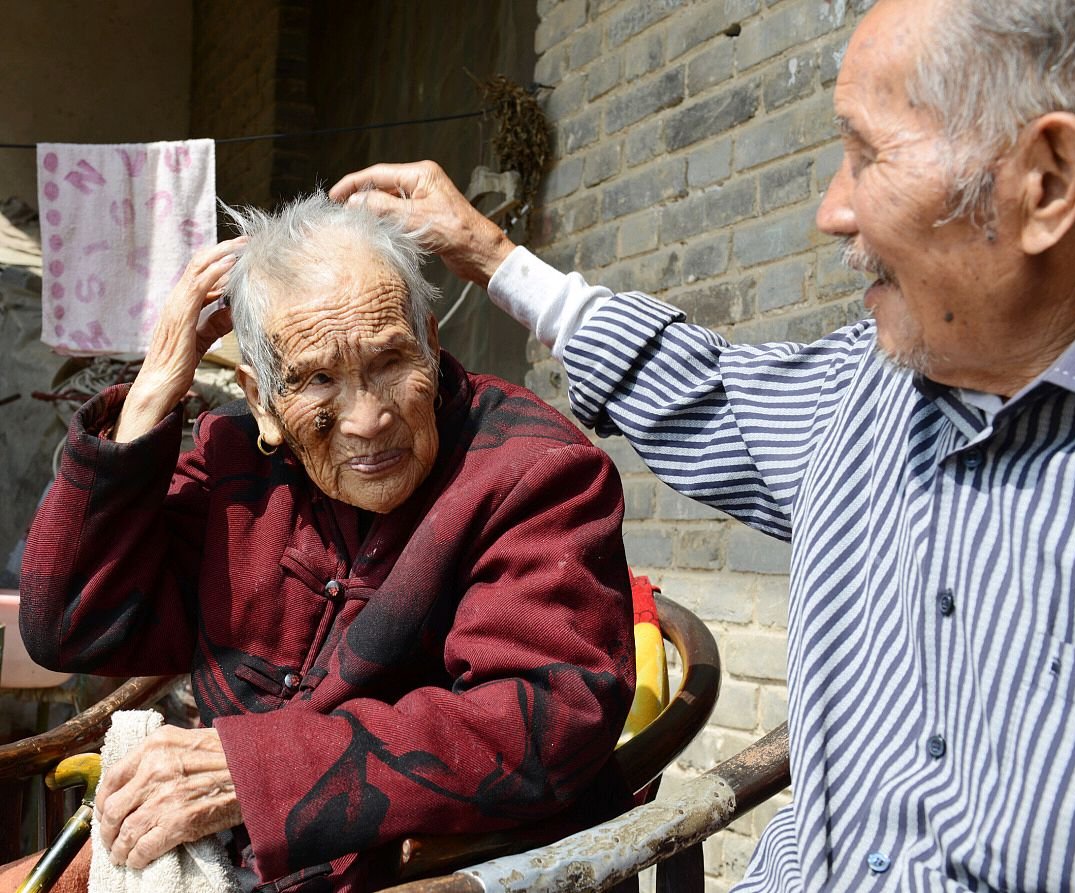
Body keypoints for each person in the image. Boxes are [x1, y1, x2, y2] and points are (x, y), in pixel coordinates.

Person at [327, 0, 1075, 889]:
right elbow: (703, 391)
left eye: (866, 154)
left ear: (1046, 181)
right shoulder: (876, 386)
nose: (832, 210)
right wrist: (490, 252)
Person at [15, 192, 636, 892]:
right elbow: (70, 625)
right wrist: (158, 382)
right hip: (223, 862)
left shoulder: (533, 471)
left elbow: (550, 720)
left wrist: (252, 772)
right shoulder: (236, 458)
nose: (368, 419)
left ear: (431, 342)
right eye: (317, 380)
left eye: (391, 361)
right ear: (260, 399)